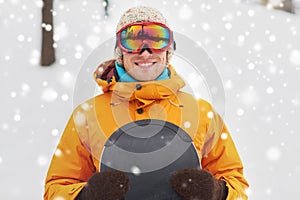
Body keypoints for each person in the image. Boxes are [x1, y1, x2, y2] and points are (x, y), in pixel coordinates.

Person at [44, 6, 249, 200]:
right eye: (132, 41)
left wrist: (218, 191)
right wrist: (86, 195)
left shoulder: (202, 113)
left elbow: (236, 184)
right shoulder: (88, 115)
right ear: (120, 52)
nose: (145, 52)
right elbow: (56, 189)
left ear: (168, 52)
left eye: (156, 40)